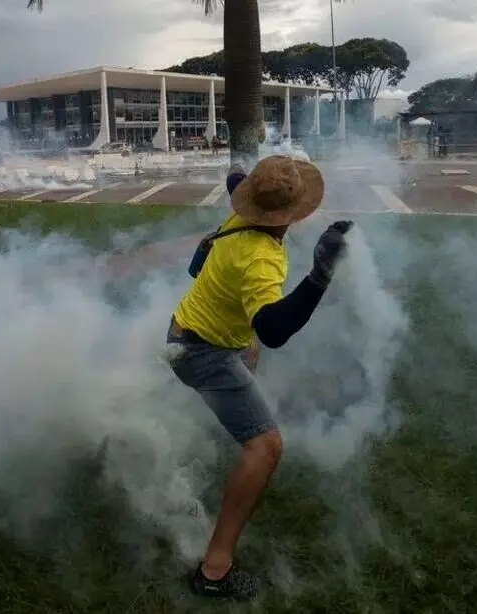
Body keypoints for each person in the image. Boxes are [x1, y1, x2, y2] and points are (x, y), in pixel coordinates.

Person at [165, 155, 353, 601]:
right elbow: (271, 330)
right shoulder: (262, 257)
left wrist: (241, 168)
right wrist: (320, 276)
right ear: (291, 214)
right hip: (200, 351)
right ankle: (214, 572)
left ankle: (220, 414)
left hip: (189, 329)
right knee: (266, 447)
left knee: (247, 355)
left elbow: (235, 179)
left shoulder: (240, 207)